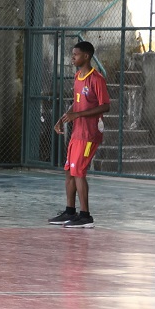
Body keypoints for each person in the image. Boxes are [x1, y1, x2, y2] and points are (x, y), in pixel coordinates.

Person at [49, 40, 110, 229]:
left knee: (79, 172)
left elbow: (105, 105)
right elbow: (76, 104)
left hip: (89, 134)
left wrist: (79, 115)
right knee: (69, 171)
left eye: (75, 54)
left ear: (86, 56)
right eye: (72, 54)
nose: (72, 57)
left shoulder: (96, 79)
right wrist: (63, 118)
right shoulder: (77, 76)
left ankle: (85, 216)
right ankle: (70, 211)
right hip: (77, 132)